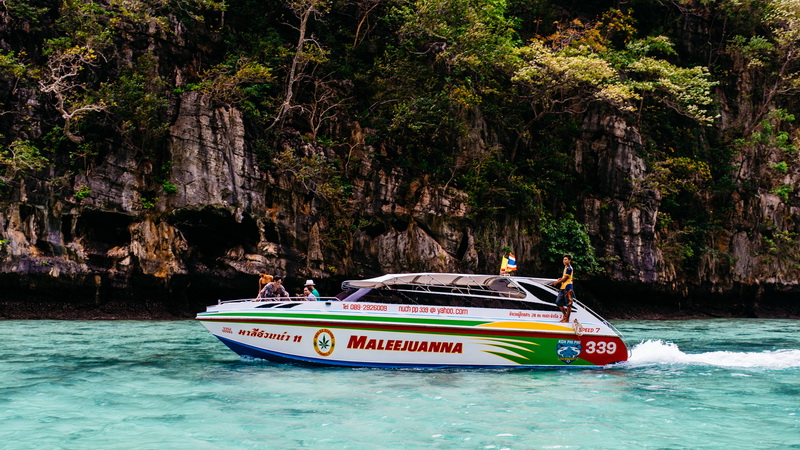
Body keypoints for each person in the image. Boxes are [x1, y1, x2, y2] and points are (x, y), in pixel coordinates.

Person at [551, 254, 574, 323]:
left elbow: (565, 279)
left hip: (568, 287)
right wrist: (561, 279)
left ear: (569, 260)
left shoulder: (569, 268)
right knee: (558, 302)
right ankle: (565, 316)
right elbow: (564, 278)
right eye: (563, 259)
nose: (564, 261)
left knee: (568, 303)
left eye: (566, 259)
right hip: (563, 287)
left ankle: (567, 319)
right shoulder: (565, 267)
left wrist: (557, 282)